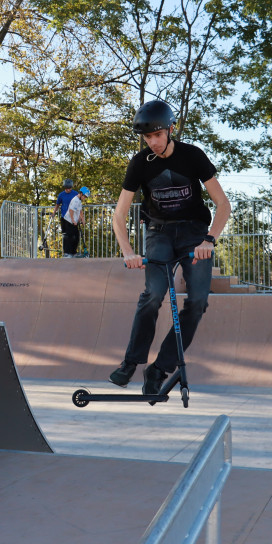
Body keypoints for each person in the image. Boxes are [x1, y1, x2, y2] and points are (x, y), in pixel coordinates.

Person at [108, 100, 231, 395]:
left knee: (198, 302)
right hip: (159, 232)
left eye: (158, 136)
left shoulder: (193, 156)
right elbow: (119, 214)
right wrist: (127, 251)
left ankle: (160, 367)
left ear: (171, 130)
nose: (153, 143)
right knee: (153, 295)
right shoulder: (140, 163)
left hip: (194, 233)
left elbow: (223, 205)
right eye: (148, 138)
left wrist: (209, 240)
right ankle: (130, 362)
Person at [54, 180, 80, 257]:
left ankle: (73, 252)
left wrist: (80, 217)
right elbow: (57, 204)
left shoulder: (75, 194)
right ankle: (66, 253)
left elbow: (79, 206)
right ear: (65, 187)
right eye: (67, 188)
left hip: (73, 218)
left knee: (75, 235)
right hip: (64, 217)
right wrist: (53, 212)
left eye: (70, 188)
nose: (69, 189)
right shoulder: (61, 195)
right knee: (66, 235)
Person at [63, 187, 90, 257]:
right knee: (71, 237)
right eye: (84, 196)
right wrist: (73, 220)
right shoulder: (75, 200)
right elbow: (71, 210)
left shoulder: (79, 201)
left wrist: (82, 219)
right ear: (81, 194)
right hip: (69, 221)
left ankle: (73, 253)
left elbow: (80, 211)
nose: (85, 198)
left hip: (73, 221)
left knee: (76, 237)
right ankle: (68, 253)